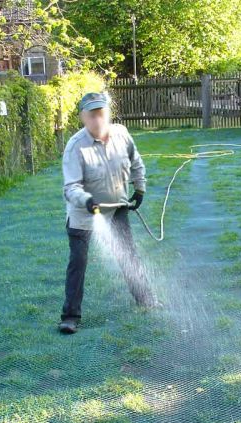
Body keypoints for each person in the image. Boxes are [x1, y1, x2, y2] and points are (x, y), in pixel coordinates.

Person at [58, 91, 157, 335]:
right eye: (92, 115)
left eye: (101, 113)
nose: (97, 119)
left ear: (108, 113)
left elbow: (136, 162)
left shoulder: (122, 134)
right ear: (83, 117)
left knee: (128, 255)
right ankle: (70, 316)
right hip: (84, 215)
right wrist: (87, 200)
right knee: (78, 263)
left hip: (116, 209)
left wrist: (140, 187)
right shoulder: (75, 147)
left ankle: (146, 299)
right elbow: (71, 188)